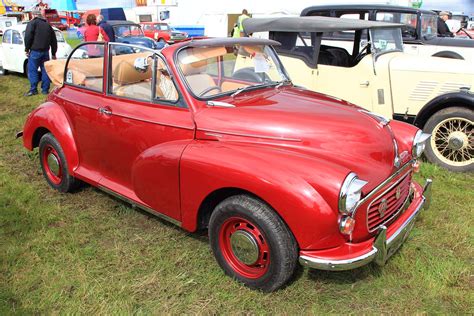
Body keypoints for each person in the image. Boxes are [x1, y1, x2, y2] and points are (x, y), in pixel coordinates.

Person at [24, 11, 57, 96]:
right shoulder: (48, 25)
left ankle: (33, 89)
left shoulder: (32, 23)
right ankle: (45, 90)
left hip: (35, 51)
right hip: (45, 51)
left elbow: (28, 36)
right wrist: (53, 53)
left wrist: (27, 49)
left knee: (32, 70)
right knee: (45, 71)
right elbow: (54, 40)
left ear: (34, 15)